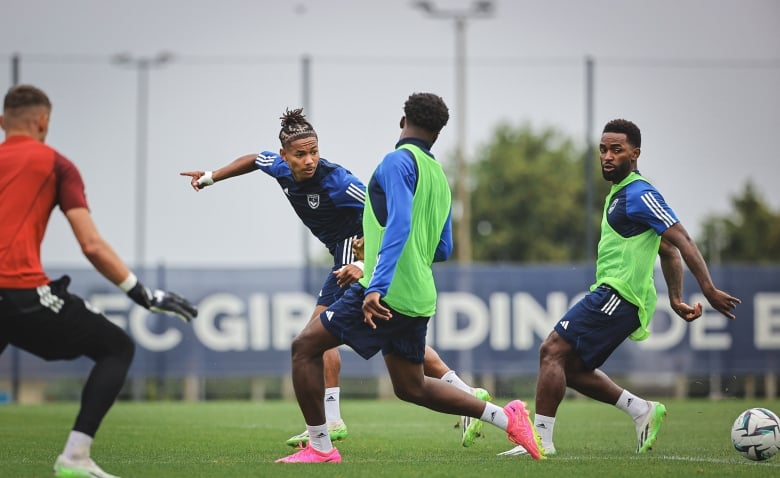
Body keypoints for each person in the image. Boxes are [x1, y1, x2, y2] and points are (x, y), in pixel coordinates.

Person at [180, 108, 490, 448]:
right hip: (347, 255)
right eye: (301, 154)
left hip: (357, 254)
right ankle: (465, 392)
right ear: (285, 156)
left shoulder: (337, 182)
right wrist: (211, 176)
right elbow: (255, 159)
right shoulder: (279, 168)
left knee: (315, 337)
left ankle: (331, 419)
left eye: (314, 152)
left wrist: (365, 257)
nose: (310, 160)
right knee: (390, 336)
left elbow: (381, 212)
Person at [275, 92, 543, 464]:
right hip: (419, 295)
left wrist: (376, 284)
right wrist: (405, 254)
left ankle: (321, 447)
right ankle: (506, 417)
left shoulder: (394, 163)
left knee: (304, 348)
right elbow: (443, 249)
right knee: (411, 386)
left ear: (403, 121)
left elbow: (399, 223)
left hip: (386, 291)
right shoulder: (439, 176)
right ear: (437, 133)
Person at [500, 118, 741, 458]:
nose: (607, 156)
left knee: (551, 350)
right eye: (603, 150)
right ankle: (641, 409)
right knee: (571, 368)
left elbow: (681, 239)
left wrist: (709, 289)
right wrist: (673, 298)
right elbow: (666, 250)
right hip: (616, 295)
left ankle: (539, 440)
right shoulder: (619, 195)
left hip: (618, 294)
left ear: (635, 153)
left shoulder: (640, 193)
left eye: (617, 150)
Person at [0, 85, 198, 478]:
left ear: (3, 122)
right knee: (116, 346)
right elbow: (91, 244)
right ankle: (74, 457)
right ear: (43, 122)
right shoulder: (57, 164)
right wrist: (143, 294)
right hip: (20, 292)